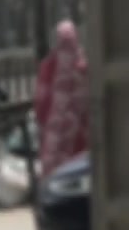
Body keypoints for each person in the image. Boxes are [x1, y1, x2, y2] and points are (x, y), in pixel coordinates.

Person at [35, 20, 89, 178]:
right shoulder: (82, 68)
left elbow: (40, 104)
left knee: (55, 179)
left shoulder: (47, 67)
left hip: (53, 139)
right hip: (78, 139)